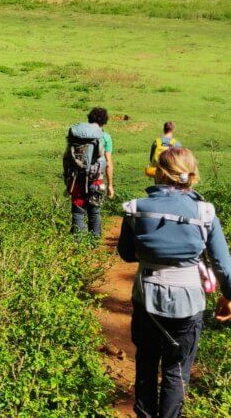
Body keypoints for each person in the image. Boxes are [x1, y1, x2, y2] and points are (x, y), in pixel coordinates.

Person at [118, 148, 231, 418]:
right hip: (189, 302)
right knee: (176, 370)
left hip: (146, 297)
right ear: (191, 175)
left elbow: (125, 254)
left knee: (146, 363)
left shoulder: (135, 209)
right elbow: (223, 267)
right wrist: (227, 298)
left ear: (158, 172)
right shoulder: (205, 212)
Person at [67, 107, 115, 237]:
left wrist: (67, 181)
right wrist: (110, 185)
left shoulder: (77, 135)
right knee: (95, 212)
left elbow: (66, 158)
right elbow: (108, 163)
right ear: (104, 121)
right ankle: (94, 244)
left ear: (89, 118)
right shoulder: (105, 137)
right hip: (96, 179)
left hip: (77, 179)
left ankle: (78, 244)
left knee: (78, 212)